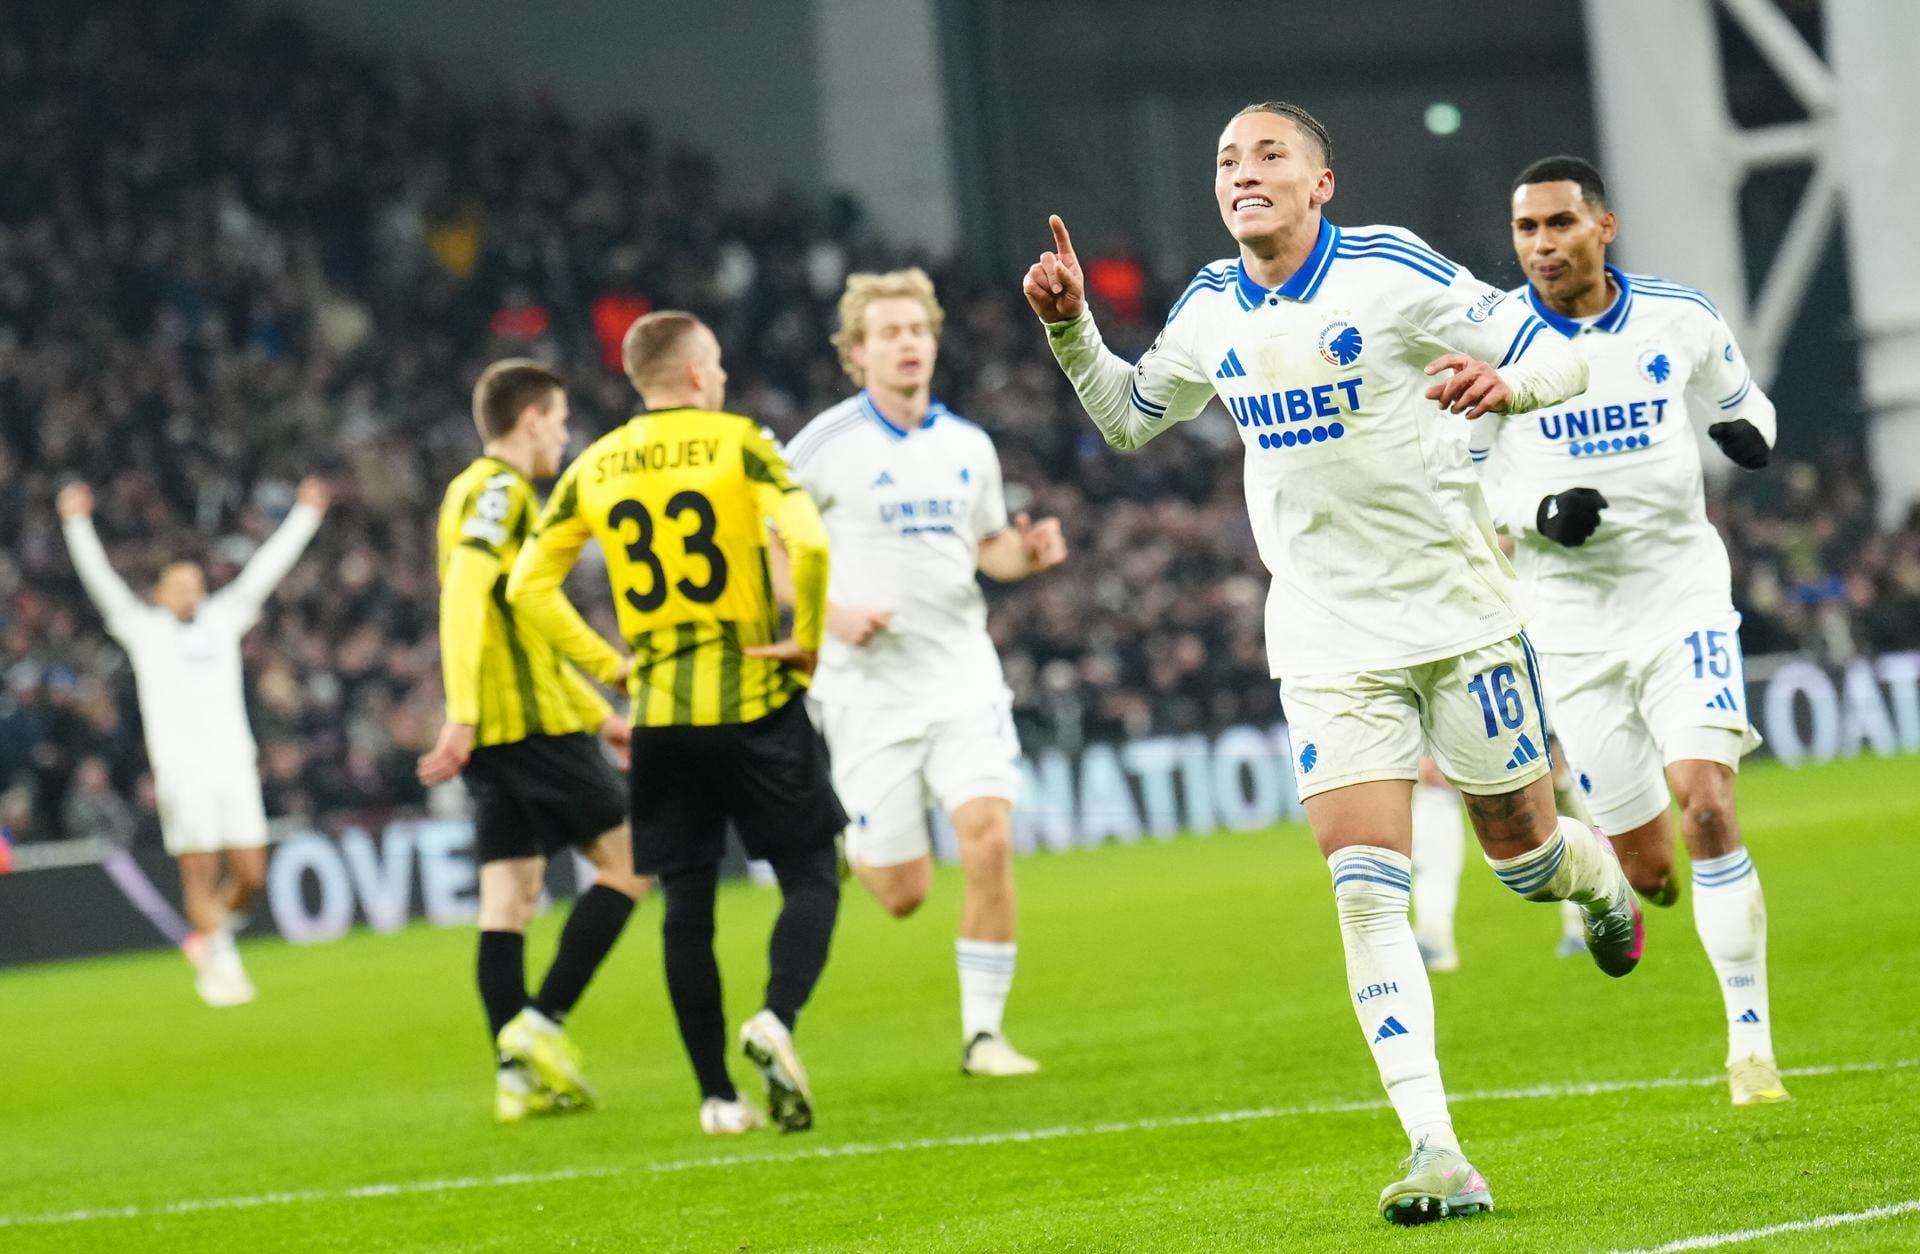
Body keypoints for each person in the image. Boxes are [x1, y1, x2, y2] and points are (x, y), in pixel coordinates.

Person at [1025, 101, 1641, 1226]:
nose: (1243, 173)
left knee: (1519, 854)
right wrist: (1073, 332)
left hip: (1458, 616)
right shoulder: (1211, 308)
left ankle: (1591, 874)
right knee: (1366, 891)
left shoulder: (1390, 271)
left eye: (1269, 156)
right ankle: (1436, 1149)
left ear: (1323, 184)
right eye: (1226, 161)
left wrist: (1512, 386)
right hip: (1324, 638)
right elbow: (1126, 421)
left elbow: (1554, 351)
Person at [1472, 156, 1786, 1106]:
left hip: (1679, 599)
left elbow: (1745, 404)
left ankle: (1751, 1049)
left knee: (1706, 804)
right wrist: (1534, 515)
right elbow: (1467, 473)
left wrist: (1751, 436)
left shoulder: (1676, 317)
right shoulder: (1495, 339)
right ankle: (1610, 895)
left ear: (1603, 227)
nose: (1541, 246)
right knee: (1651, 873)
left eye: (1559, 225)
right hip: (1570, 627)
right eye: (1526, 230)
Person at [506, 311, 845, 1137]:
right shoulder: (741, 443)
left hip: (659, 714)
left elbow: (526, 587)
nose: (723, 376)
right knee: (811, 872)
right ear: (695, 373)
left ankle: (717, 1099)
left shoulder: (595, 464)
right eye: (718, 364)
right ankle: (775, 1020)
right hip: (754, 697)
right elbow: (809, 543)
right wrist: (806, 641)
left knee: (686, 903)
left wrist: (611, 665)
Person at [784, 269, 1067, 1076]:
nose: (908, 344)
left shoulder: (968, 445)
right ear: (857, 353)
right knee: (903, 893)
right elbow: (768, 548)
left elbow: (988, 550)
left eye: (919, 329)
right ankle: (843, 834)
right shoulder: (823, 445)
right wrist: (828, 615)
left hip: (961, 679)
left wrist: (1030, 554)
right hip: (864, 690)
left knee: (988, 841)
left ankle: (984, 1035)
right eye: (890, 333)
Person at [416, 358, 651, 1123]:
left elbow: (525, 628)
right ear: (527, 420)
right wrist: (459, 710)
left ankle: (514, 1082)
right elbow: (465, 598)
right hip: (527, 729)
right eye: (557, 419)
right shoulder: (498, 491)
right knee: (629, 864)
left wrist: (599, 714)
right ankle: (538, 1026)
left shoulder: (465, 491)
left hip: (514, 729)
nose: (563, 433)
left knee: (508, 900)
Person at [58, 476, 329, 1006]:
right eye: (178, 584)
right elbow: (99, 579)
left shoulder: (224, 619)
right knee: (200, 870)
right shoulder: (143, 629)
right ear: (158, 593)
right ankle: (221, 963)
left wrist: (307, 515)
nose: (189, 591)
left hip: (233, 764)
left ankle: (215, 936)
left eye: (195, 583)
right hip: (182, 771)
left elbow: (266, 570)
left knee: (251, 873)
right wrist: (76, 522)